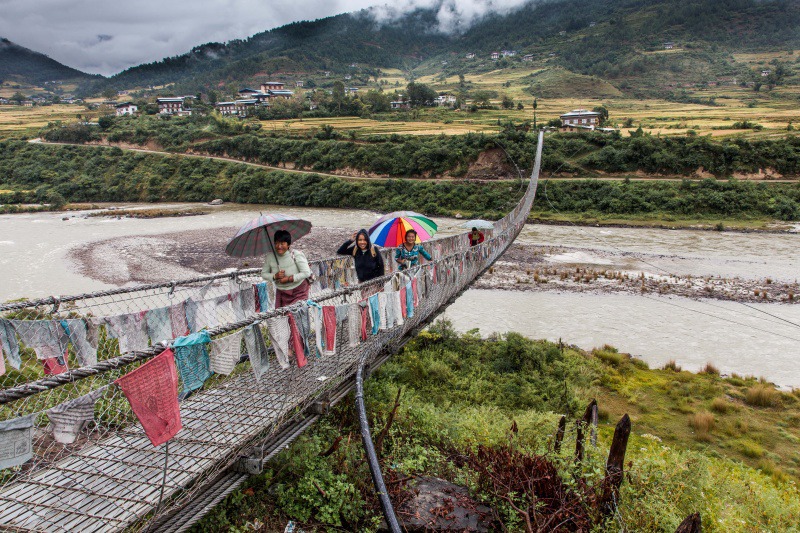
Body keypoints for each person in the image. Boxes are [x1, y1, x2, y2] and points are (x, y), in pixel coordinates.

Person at [262, 230, 312, 308]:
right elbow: (263, 274)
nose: (279, 246)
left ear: (288, 244)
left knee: (298, 315)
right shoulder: (270, 257)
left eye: (282, 243)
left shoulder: (296, 254)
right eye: (277, 243)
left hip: (299, 291)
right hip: (281, 292)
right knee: (283, 317)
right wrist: (275, 276)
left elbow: (306, 273)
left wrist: (288, 279)